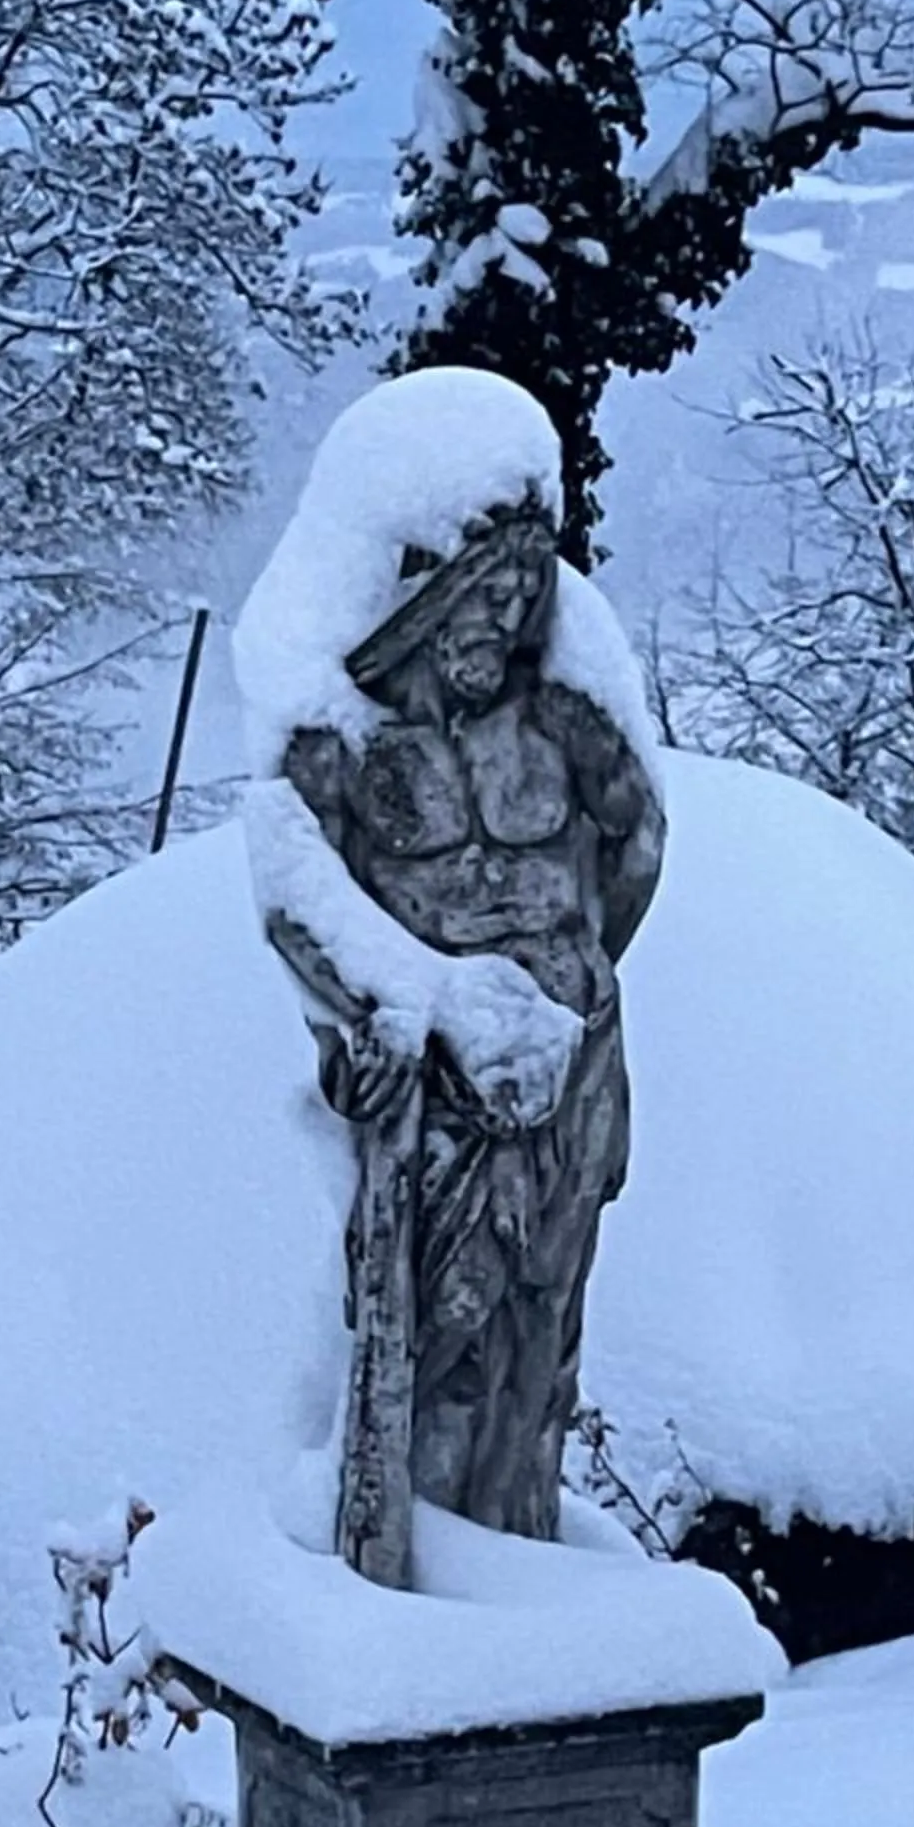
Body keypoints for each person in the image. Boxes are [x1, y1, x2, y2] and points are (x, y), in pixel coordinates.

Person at [266, 493, 664, 1576]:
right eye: (480, 598)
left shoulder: (560, 728)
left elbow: (635, 851)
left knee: (543, 1327)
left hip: (569, 1060)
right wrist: (427, 997)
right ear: (423, 603)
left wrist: (568, 982)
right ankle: (434, 1569)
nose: (501, 622)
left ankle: (521, 1543)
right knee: (447, 1324)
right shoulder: (344, 740)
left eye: (519, 600)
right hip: (441, 1076)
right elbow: (293, 891)